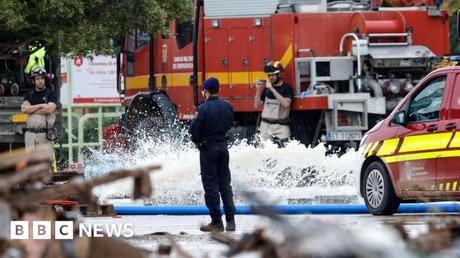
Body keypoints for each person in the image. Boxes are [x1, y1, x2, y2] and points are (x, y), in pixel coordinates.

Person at [189, 77, 236, 232]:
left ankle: (216, 221)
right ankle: (231, 221)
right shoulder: (227, 106)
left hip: (208, 149)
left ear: (206, 92)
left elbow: (194, 131)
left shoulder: (202, 109)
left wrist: (199, 142)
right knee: (225, 185)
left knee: (211, 186)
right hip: (223, 147)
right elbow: (230, 124)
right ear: (219, 90)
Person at [21, 67, 57, 167]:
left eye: (42, 78)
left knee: (45, 164)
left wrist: (31, 109)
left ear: (45, 80)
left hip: (45, 135)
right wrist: (41, 106)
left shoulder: (51, 94)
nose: (40, 81)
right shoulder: (28, 95)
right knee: (31, 165)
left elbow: (49, 109)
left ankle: (46, 182)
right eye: (37, 79)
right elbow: (24, 110)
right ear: (33, 81)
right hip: (30, 135)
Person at [254, 61, 294, 147]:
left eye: (272, 75)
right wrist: (258, 90)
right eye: (269, 75)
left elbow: (286, 104)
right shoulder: (266, 89)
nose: (270, 77)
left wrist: (272, 89)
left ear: (279, 75)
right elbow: (257, 105)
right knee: (265, 153)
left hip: (281, 126)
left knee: (285, 151)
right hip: (266, 126)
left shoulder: (287, 88)